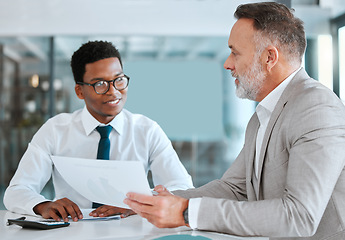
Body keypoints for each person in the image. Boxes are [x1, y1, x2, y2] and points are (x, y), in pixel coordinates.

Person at [124, 2, 345, 239]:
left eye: (235, 52)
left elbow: (300, 216)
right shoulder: (261, 117)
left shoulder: (316, 106)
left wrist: (187, 213)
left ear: (270, 57)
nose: (227, 63)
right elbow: (234, 188)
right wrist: (148, 202)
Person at [4, 41, 193, 222]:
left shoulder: (147, 130)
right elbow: (17, 190)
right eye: (100, 84)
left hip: (133, 231)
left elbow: (183, 188)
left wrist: (139, 203)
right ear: (79, 91)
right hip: (72, 231)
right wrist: (42, 205)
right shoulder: (55, 130)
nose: (113, 92)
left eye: (118, 80)